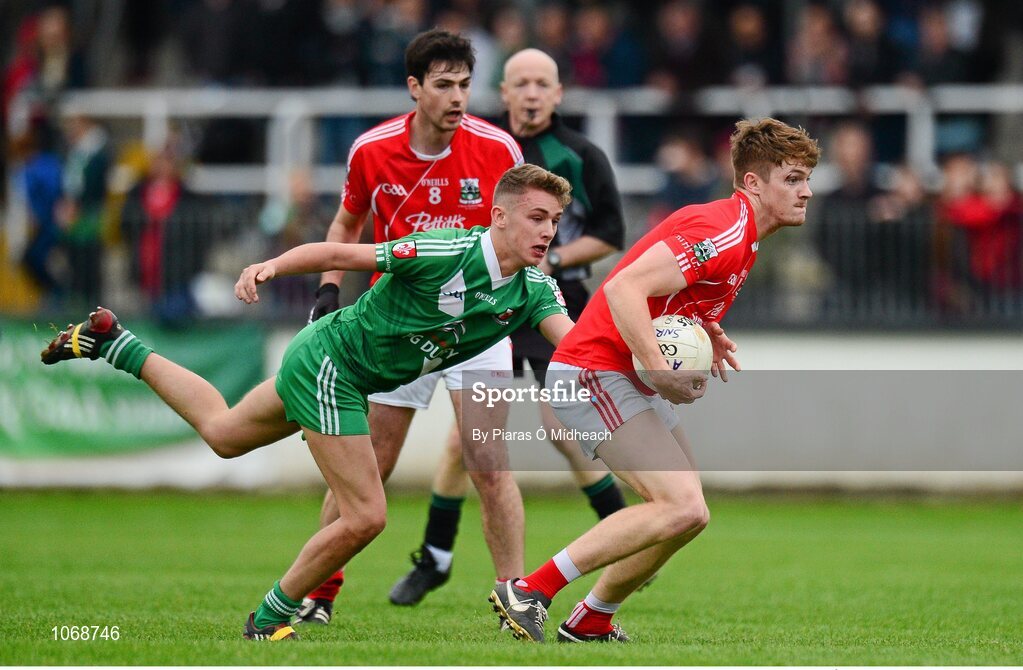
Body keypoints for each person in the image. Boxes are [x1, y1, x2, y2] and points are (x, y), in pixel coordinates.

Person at [40, 163, 575, 642]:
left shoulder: (535, 289)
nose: (548, 230)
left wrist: (639, 359)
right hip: (331, 363)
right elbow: (341, 252)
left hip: (334, 370)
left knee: (224, 435)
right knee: (366, 516)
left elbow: (574, 345)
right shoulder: (446, 251)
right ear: (499, 216)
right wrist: (269, 266)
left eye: (553, 220)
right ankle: (269, 619)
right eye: (536, 217)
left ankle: (113, 342)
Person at [489, 118, 819, 643]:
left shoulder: (742, 234)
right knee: (679, 504)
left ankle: (593, 618)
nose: (807, 191)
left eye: (806, 179)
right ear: (753, 183)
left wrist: (704, 326)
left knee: (690, 515)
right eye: (794, 179)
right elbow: (624, 288)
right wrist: (657, 368)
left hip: (620, 376)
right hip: (596, 370)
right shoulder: (723, 229)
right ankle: (530, 589)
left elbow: (667, 286)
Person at [296, 29, 527, 625]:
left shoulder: (499, 150)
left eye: (465, 85)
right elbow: (345, 227)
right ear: (414, 88)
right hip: (398, 324)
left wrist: (524, 308)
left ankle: (515, 597)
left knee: (488, 461)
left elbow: (530, 236)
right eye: (443, 85)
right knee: (372, 458)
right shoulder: (372, 150)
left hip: (479, 323)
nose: (457, 97)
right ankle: (317, 594)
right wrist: (327, 290)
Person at [389, 48, 628, 607]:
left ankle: (622, 537)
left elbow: (612, 233)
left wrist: (556, 261)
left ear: (558, 92)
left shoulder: (581, 155)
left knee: (563, 429)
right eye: (521, 82)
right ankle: (435, 558)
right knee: (462, 443)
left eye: (542, 82)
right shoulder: (483, 146)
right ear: (503, 91)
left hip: (553, 305)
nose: (531, 93)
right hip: (487, 305)